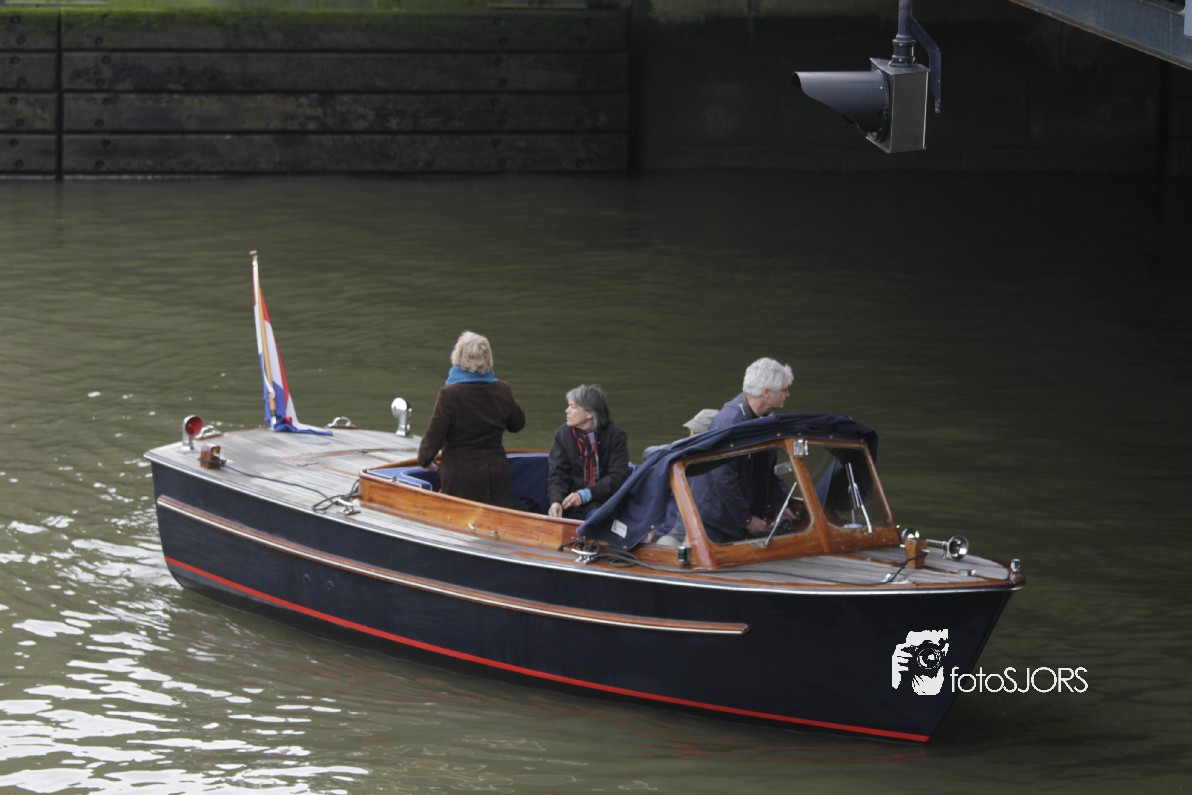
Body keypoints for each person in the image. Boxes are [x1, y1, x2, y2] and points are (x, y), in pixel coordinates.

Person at [691, 357, 797, 543]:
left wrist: (781, 504)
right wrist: (746, 520)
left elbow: (768, 473)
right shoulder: (729, 422)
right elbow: (723, 478)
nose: (787, 394)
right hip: (719, 525)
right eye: (784, 389)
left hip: (742, 517)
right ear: (766, 392)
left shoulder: (765, 421)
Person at [417, 331, 526, 507]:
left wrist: (424, 458)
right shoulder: (502, 389)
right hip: (497, 475)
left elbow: (434, 435)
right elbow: (518, 424)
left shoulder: (450, 394)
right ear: (488, 358)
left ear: (458, 357)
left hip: (461, 478)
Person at [547, 384, 630, 520]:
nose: (567, 411)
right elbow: (558, 473)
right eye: (568, 406)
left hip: (606, 502)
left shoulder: (616, 435)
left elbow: (617, 477)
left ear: (589, 413)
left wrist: (585, 495)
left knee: (596, 518)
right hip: (572, 504)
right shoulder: (563, 435)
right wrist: (556, 501)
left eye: (573, 407)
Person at [642, 408, 718, 460]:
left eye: (690, 429)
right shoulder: (720, 446)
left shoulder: (688, 446)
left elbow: (648, 452)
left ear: (694, 432)